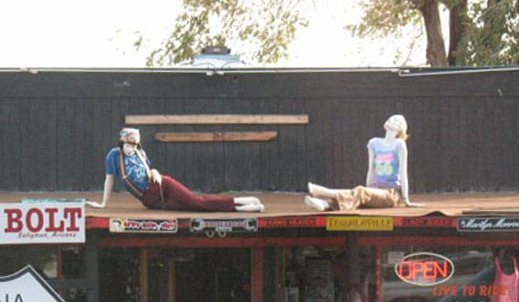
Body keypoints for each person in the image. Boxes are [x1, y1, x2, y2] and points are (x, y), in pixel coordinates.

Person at [86, 127, 265, 212]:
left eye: (134, 146)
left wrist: (154, 172)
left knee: (196, 201)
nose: (132, 149)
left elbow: (150, 168)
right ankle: (241, 207)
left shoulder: (140, 152)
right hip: (150, 199)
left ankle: (239, 202)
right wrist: (103, 203)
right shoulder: (114, 156)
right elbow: (109, 179)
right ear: (122, 143)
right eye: (129, 145)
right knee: (192, 208)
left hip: (162, 184)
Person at [304, 114, 423, 212]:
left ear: (400, 129)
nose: (391, 119)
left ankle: (325, 193)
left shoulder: (399, 144)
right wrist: (369, 189)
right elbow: (371, 169)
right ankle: (325, 205)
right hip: (375, 188)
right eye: (391, 118)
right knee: (360, 196)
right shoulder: (374, 143)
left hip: (391, 193)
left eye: (396, 120)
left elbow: (403, 173)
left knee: (360, 191)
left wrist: (406, 199)